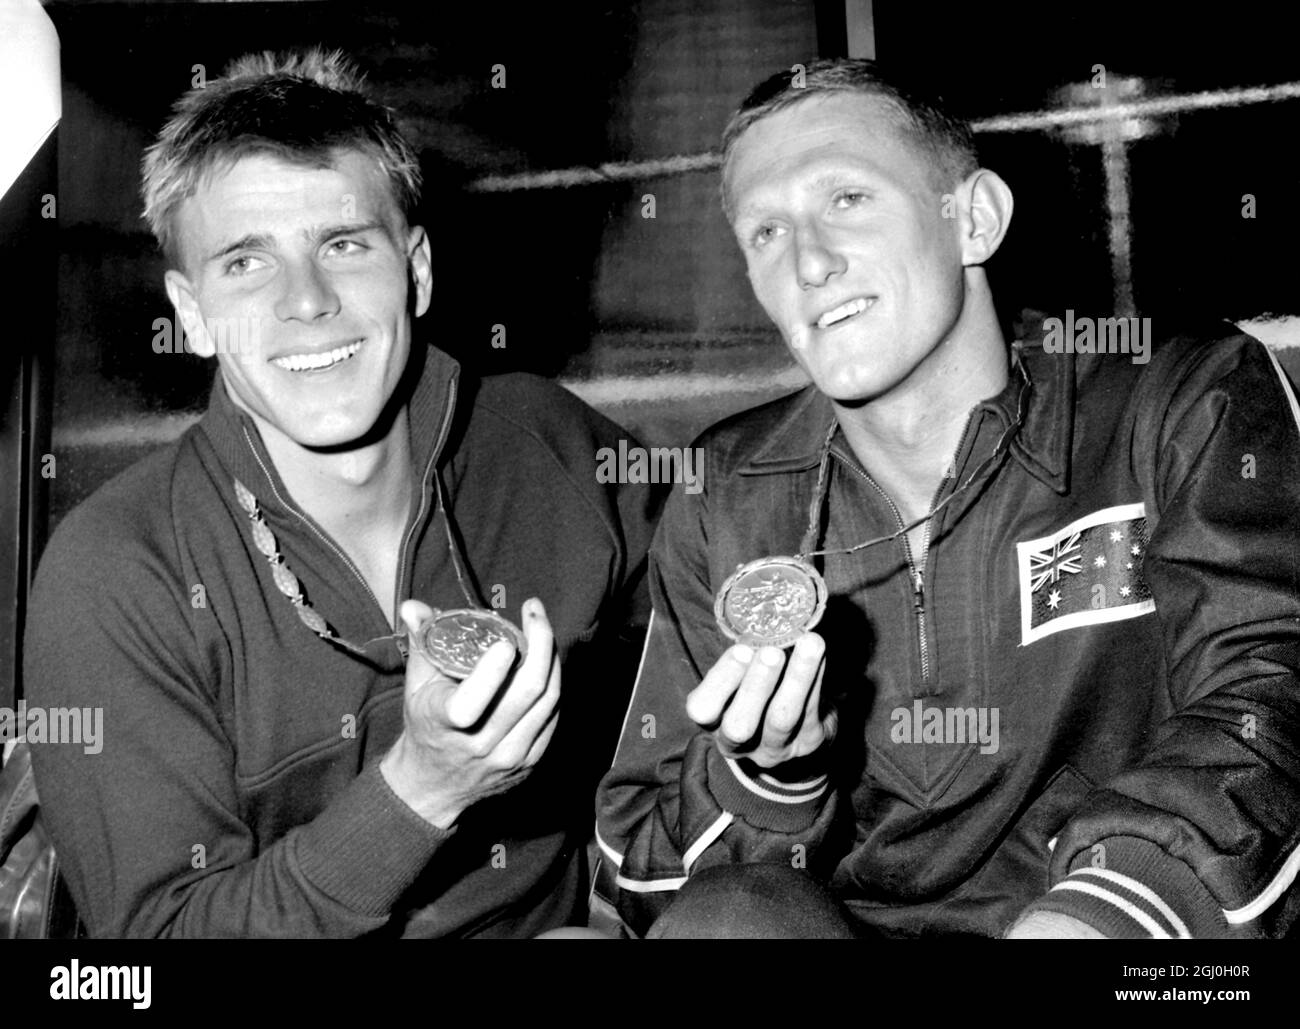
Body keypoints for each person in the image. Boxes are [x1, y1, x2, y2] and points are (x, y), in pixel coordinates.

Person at [595, 59, 1300, 939]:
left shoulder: (1184, 398)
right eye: (766, 232)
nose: (809, 262)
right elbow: (634, 880)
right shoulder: (725, 496)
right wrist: (768, 782)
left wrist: (1117, 908)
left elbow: (1269, 690)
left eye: (848, 197)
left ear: (974, 218)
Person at [24, 49, 657, 938]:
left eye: (344, 244)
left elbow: (706, 605)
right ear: (192, 311)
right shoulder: (117, 572)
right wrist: (421, 788)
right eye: (246, 263)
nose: (307, 300)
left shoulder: (545, 443)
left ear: (418, 271)